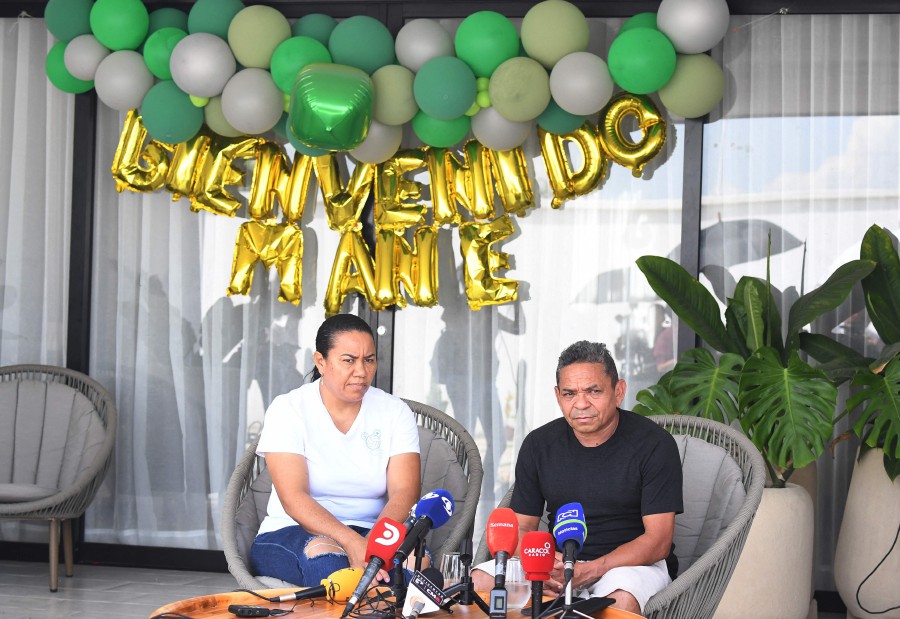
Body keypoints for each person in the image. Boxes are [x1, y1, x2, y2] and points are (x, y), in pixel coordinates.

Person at [472, 341, 683, 615]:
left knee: (619, 603)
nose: (581, 404)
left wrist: (591, 569)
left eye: (594, 391)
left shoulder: (654, 445)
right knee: (480, 581)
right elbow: (522, 527)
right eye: (570, 394)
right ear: (558, 396)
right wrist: (546, 564)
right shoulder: (539, 444)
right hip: (557, 563)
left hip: (628, 566)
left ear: (618, 391)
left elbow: (658, 541)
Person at [249, 314, 422, 587]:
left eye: (369, 359)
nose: (362, 371)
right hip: (292, 532)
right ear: (321, 362)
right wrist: (352, 542)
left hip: (371, 530)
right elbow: (294, 497)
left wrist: (375, 545)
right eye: (348, 360)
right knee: (331, 562)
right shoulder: (289, 409)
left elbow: (405, 491)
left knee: (417, 565)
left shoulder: (394, 411)